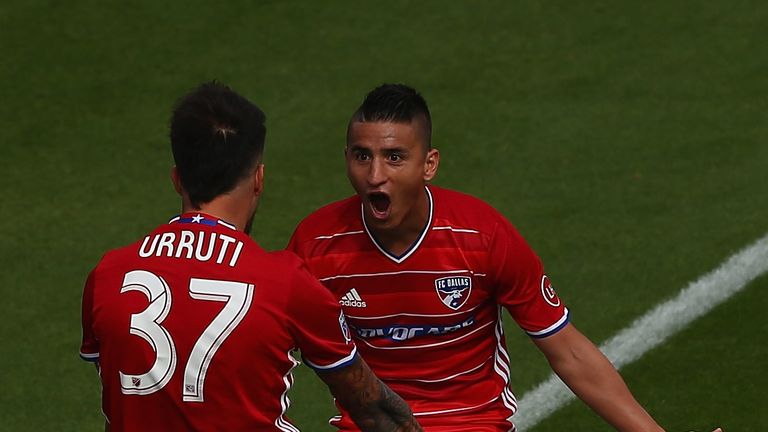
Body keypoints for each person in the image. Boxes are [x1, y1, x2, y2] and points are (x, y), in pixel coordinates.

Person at [287, 84, 722, 432]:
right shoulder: (316, 243)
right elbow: (269, 347)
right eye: (362, 156)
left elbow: (568, 351)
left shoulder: (481, 236)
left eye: (394, 157)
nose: (375, 175)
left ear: (429, 164)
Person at [79, 81, 422, 432]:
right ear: (259, 178)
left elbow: (122, 398)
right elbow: (376, 411)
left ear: (177, 179)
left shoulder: (108, 275)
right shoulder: (285, 283)